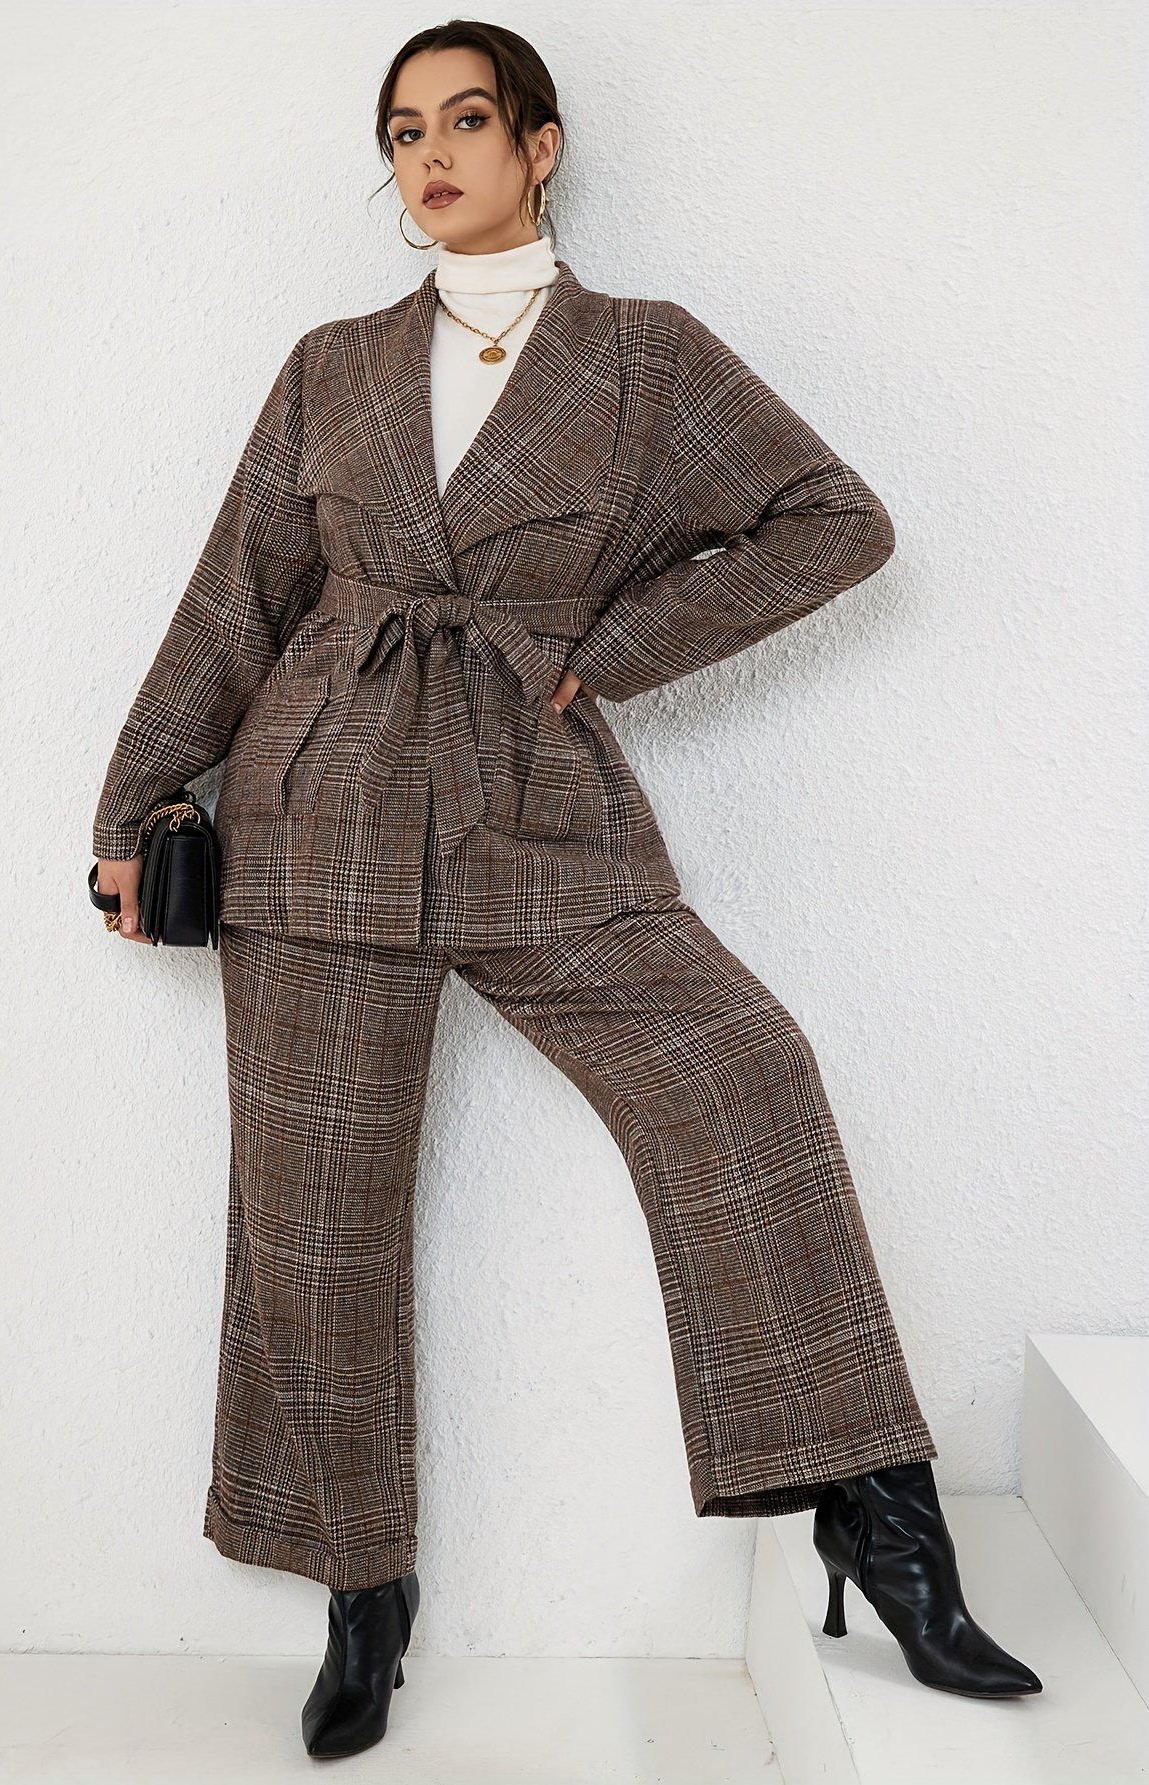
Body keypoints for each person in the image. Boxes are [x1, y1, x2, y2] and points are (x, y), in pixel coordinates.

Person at [91, 20, 1042, 1760]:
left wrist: (602, 650)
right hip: (316, 808)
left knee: (742, 1073)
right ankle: (362, 1593)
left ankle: (878, 1513)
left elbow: (835, 521)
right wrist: (133, 798)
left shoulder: (646, 357)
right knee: (316, 1220)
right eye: (404, 131)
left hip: (535, 805)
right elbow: (237, 596)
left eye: (467, 120)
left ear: (540, 145)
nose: (432, 155)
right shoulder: (329, 365)